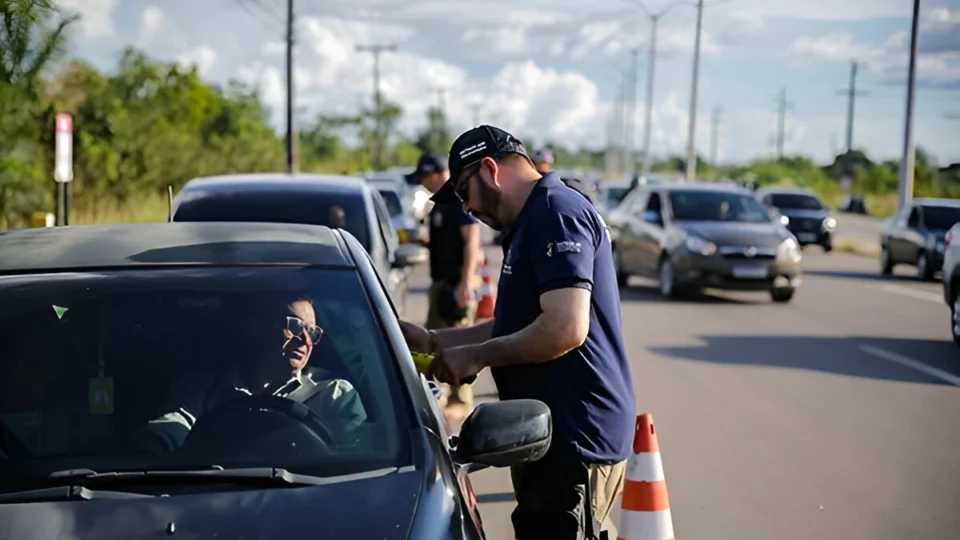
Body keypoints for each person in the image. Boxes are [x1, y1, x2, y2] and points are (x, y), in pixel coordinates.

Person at [399, 126, 635, 539]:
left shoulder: (555, 212)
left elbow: (564, 328)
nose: (468, 209)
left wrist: (478, 356)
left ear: (490, 170)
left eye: (464, 193)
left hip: (576, 438)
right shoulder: (531, 221)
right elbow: (512, 323)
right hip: (549, 436)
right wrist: (435, 340)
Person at [130, 297, 367, 453]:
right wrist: (150, 449)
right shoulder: (203, 389)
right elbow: (171, 428)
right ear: (256, 329)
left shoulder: (335, 395)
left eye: (312, 332)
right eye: (295, 327)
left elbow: (356, 459)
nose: (305, 340)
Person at [405, 151, 482, 414]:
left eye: (424, 177)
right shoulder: (440, 203)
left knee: (457, 338)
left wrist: (465, 283)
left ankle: (460, 400)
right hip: (441, 283)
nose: (422, 184)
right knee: (435, 339)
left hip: (455, 283)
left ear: (436, 174)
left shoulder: (456, 199)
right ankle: (444, 395)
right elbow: (445, 240)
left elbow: (472, 238)